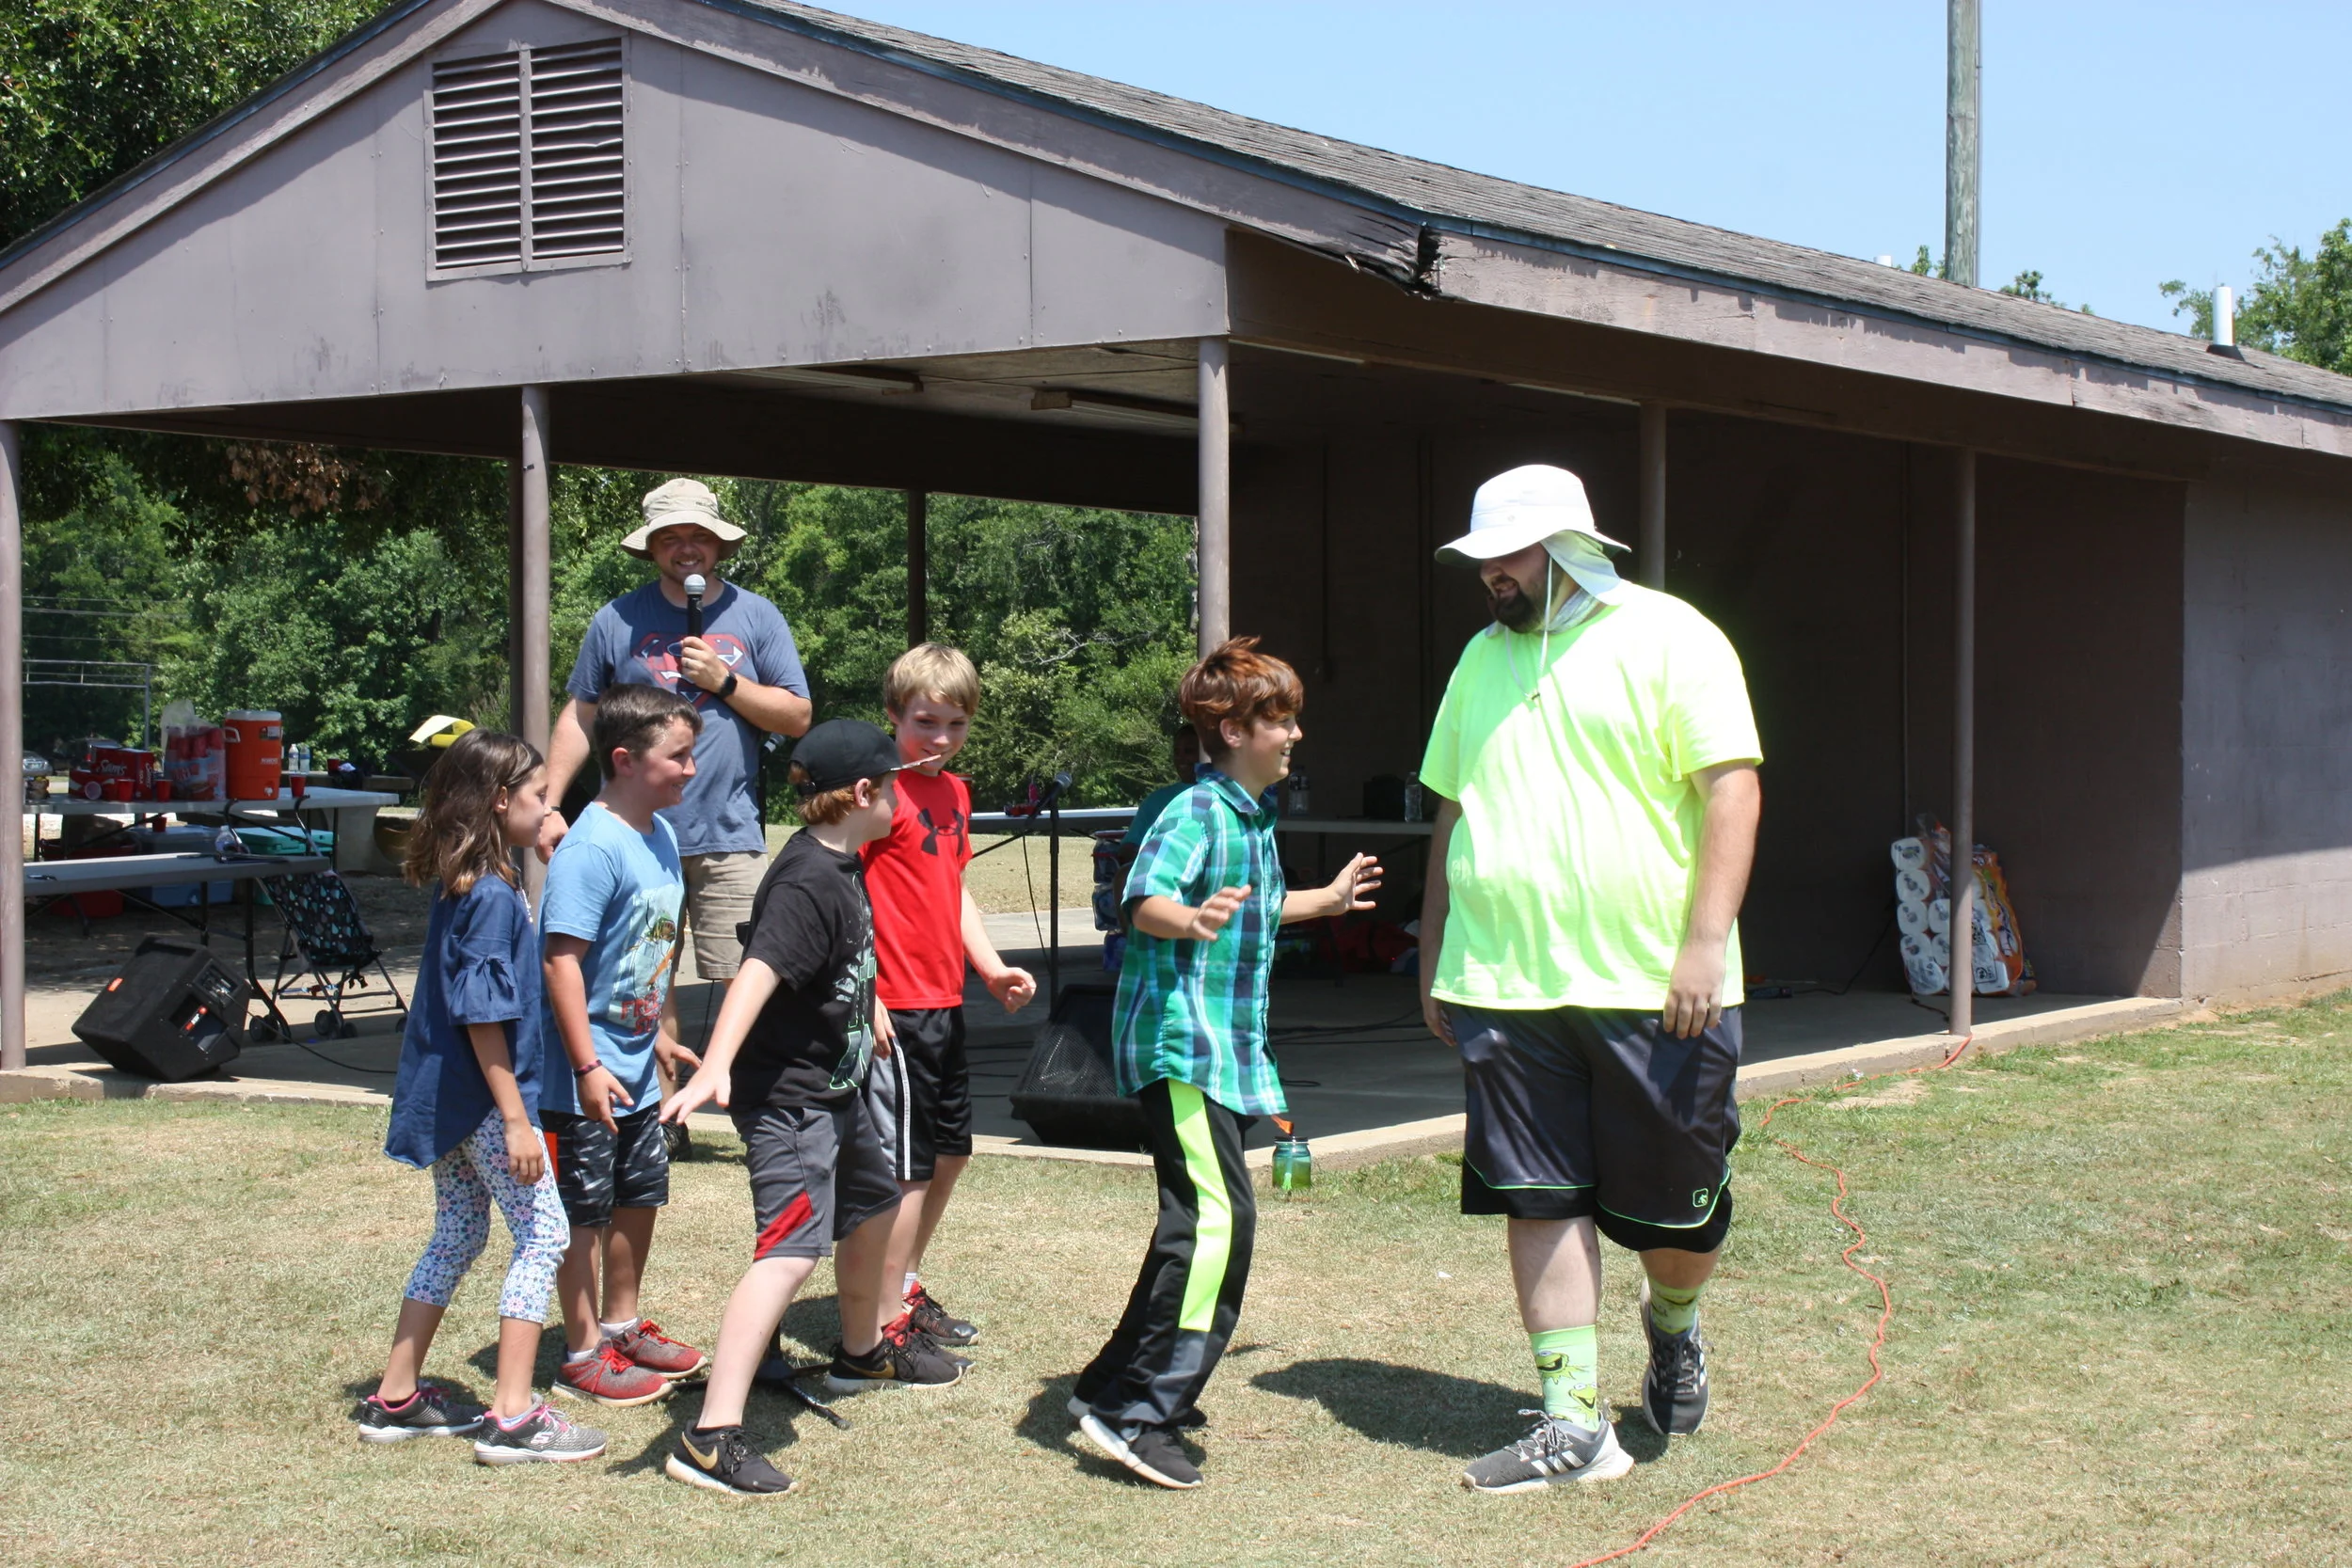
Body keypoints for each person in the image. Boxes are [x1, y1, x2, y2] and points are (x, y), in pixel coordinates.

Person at [1416, 464, 1763, 1494]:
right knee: (1538, 1195)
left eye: (1507, 557)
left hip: (1651, 985)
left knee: (1676, 1216)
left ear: (1568, 546)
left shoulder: (1672, 635)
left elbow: (1732, 792)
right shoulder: (1479, 658)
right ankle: (1571, 1423)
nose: (1491, 577)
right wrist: (1439, 950)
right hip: (1506, 982)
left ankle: (1675, 1322)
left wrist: (1704, 942)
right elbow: (1452, 807)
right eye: (1481, 561)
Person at [1072, 637, 1381, 1491]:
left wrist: (1329, 899)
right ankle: (1143, 1411)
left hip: (1224, 1052)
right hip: (1181, 1047)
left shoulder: (1251, 817)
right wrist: (1188, 919)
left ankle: (1109, 1385)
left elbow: (1261, 909)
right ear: (1234, 728)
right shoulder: (1195, 811)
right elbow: (1143, 899)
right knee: (1216, 1222)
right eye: (1282, 720)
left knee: (1197, 1218)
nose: (1295, 736)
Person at [659, 720, 963, 1498]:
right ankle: (710, 1437)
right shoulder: (806, 880)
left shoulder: (842, 858)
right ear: (862, 794)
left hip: (841, 1083)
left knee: (869, 1206)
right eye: (892, 784)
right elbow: (758, 971)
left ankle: (860, 1353)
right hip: (793, 1100)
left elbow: (830, 966)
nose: (902, 795)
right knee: (791, 1252)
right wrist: (717, 1063)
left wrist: (870, 1008)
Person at [362, 729, 607, 1465]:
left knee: (460, 1233)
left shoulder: (467, 882)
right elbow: (483, 1014)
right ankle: (512, 1413)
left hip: (449, 1098)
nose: (549, 806)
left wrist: (542, 846)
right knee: (545, 1235)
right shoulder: (494, 899)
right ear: (502, 802)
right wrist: (515, 1120)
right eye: (538, 796)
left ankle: (396, 1395)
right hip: (485, 1103)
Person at [538, 478, 814, 1128]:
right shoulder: (618, 620)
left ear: (717, 546)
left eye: (698, 537)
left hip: (727, 829)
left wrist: (726, 681)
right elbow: (582, 714)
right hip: (637, 834)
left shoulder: (756, 616)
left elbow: (797, 714)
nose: (686, 549)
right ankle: (659, 1117)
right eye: (671, 538)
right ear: (652, 549)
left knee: (751, 970)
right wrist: (549, 801)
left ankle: (757, 1105)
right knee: (646, 974)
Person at [861, 643, 1037, 1349]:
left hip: (945, 1001)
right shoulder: (875, 791)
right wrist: (866, 993)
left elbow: (953, 888)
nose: (939, 739)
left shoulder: (957, 794)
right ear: (894, 715)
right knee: (909, 1166)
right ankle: (881, 1316)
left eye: (956, 724)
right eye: (926, 721)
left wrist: (990, 969)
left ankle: (903, 1280)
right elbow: (847, 899)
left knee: (953, 1152)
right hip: (894, 1006)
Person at [540, 683, 710, 1406]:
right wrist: (586, 1063)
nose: (691, 770)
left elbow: (656, 947)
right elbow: (560, 962)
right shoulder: (591, 845)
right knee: (582, 1212)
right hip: (585, 1074)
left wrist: (663, 1036)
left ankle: (623, 1322)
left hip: (639, 1065)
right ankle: (582, 1350)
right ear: (624, 759)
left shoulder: (661, 835)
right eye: (678, 756)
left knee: (639, 1195)